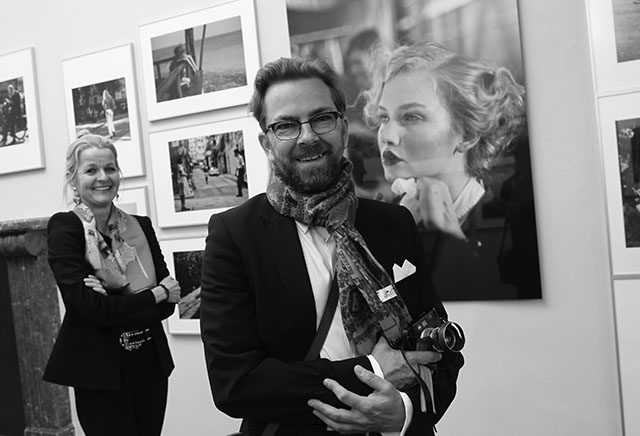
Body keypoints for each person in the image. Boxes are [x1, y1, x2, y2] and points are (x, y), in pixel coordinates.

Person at [200, 57, 463, 436]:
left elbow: (440, 351)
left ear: (342, 126)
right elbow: (235, 382)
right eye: (287, 125)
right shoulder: (236, 234)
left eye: (321, 118)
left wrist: (402, 414)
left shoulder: (394, 224)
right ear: (266, 142)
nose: (307, 137)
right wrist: (372, 371)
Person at [363, 42, 533, 300]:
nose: (388, 136)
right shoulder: (395, 213)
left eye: (412, 117)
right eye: (384, 117)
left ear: (467, 134)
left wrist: (454, 245)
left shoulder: (513, 228)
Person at [44, 132, 181, 436]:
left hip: (150, 365)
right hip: (99, 371)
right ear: (74, 179)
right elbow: (93, 310)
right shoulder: (66, 228)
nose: (103, 177)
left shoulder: (139, 226)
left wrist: (130, 301)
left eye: (110, 169)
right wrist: (155, 294)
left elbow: (170, 305)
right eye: (91, 170)